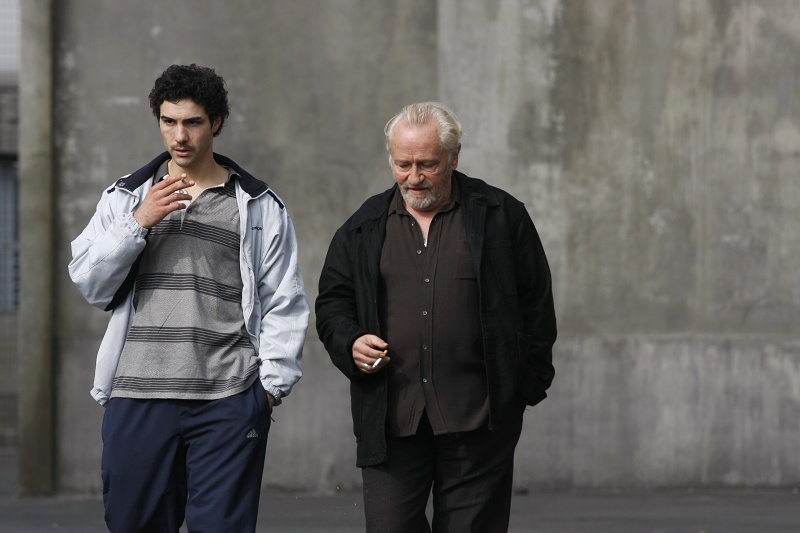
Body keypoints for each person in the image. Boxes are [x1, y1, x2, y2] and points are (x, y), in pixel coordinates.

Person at [68, 64, 309, 532]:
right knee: (132, 524)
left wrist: (269, 391)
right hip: (137, 394)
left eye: (193, 122)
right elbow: (90, 282)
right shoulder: (126, 197)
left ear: (216, 122)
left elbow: (284, 297)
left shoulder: (258, 204)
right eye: (169, 121)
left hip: (228, 397)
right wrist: (138, 222)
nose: (179, 136)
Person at [315, 102, 557, 532]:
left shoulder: (501, 216)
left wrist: (521, 391)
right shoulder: (363, 226)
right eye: (403, 164)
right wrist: (350, 342)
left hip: (480, 420)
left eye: (427, 164)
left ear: (454, 157)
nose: (414, 177)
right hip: (391, 420)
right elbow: (333, 304)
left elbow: (536, 304)